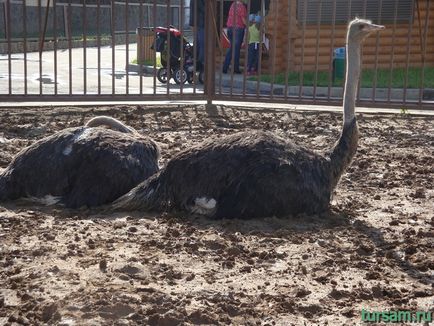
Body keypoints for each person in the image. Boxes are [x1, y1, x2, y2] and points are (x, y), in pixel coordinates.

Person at [222, 0, 247, 74]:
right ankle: (235, 69)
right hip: (238, 29)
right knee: (236, 50)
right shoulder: (241, 6)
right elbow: (243, 20)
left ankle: (225, 67)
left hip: (230, 28)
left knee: (231, 48)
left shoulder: (233, 4)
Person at [189, 0, 205, 72]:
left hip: (196, 23)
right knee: (202, 44)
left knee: (198, 43)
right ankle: (199, 64)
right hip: (200, 23)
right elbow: (204, 9)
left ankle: (195, 61)